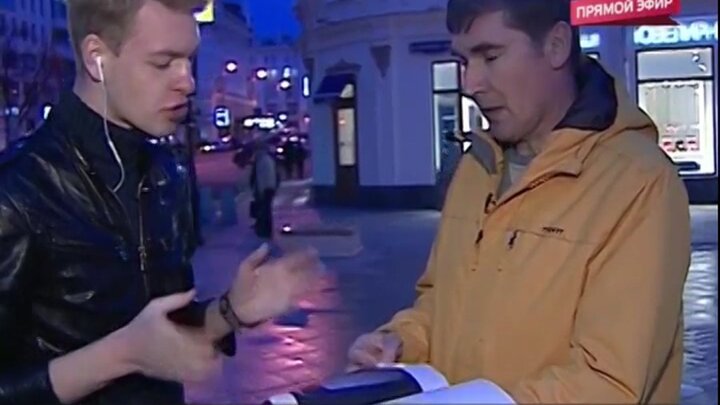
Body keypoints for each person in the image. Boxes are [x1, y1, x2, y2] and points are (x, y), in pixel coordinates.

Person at [347, 0, 691, 403]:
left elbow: (610, 383)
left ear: (556, 45)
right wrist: (401, 342)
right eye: (463, 61)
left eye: (491, 56)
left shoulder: (639, 182)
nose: (471, 83)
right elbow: (441, 301)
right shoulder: (476, 167)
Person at [0, 1, 321, 404]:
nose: (188, 82)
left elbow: (166, 330)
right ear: (97, 57)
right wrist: (119, 355)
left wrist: (230, 311)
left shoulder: (167, 174)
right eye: (163, 63)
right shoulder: (17, 192)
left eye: (189, 61)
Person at [250, 137, 280, 239]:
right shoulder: (263, 159)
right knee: (265, 210)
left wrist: (261, 190)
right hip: (267, 188)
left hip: (266, 189)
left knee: (265, 210)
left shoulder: (263, 160)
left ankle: (265, 230)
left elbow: (265, 176)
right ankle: (264, 229)